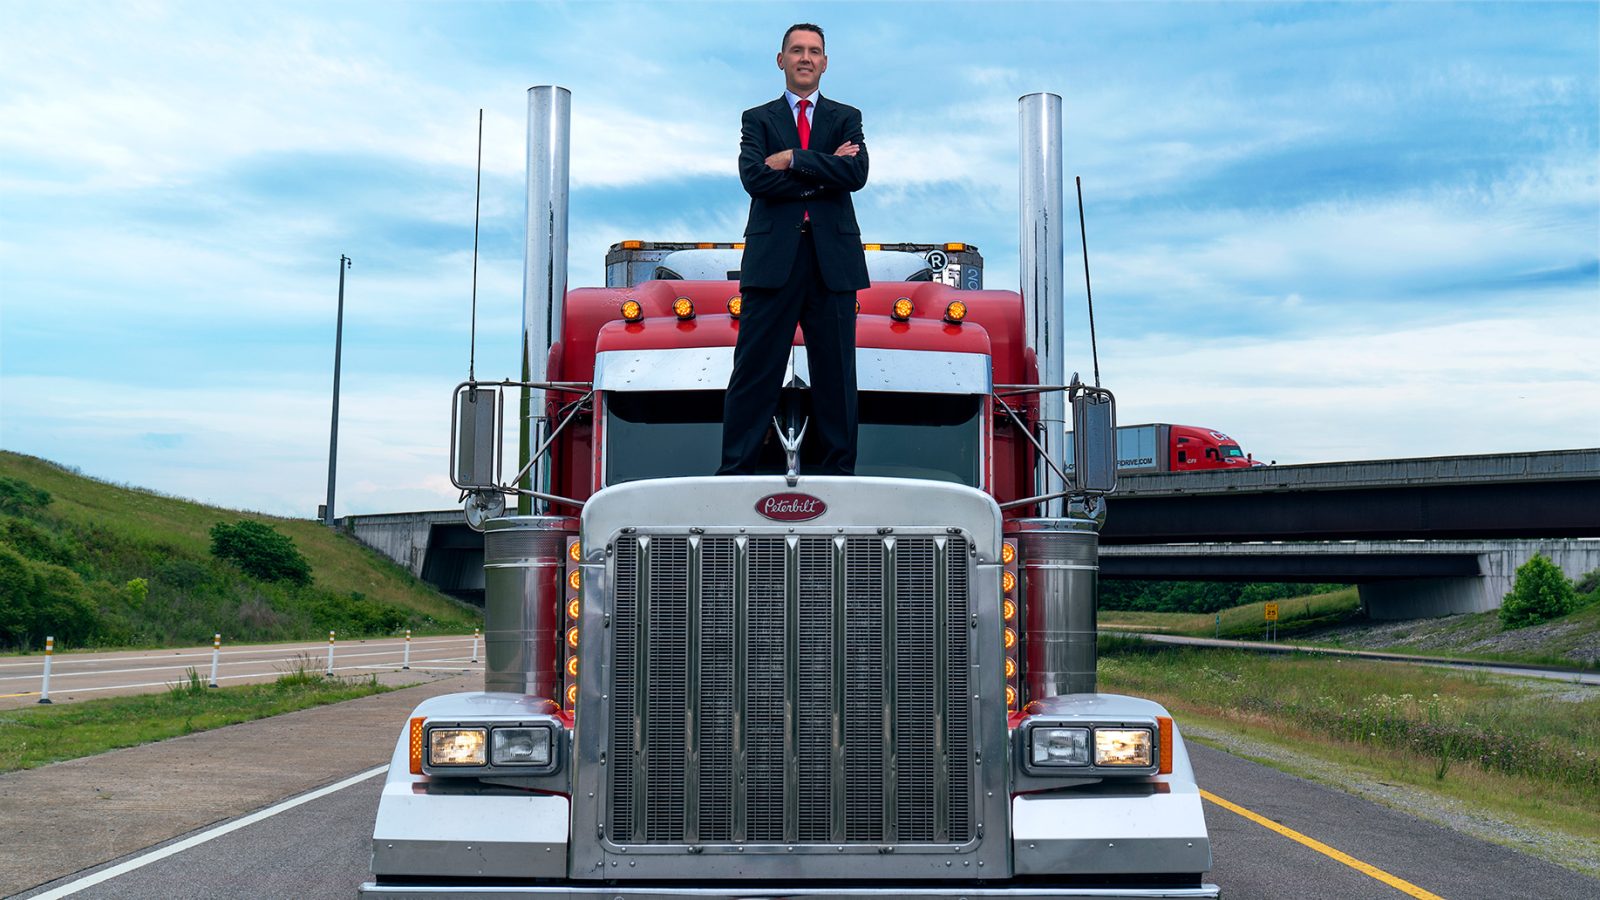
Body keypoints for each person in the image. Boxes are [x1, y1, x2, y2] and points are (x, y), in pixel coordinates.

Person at [717, 22, 870, 476]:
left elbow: (856, 174)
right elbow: (754, 178)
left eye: (815, 51)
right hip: (772, 263)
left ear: (825, 62)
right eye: (797, 50)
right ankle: (734, 474)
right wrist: (824, 171)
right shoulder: (757, 119)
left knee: (837, 378)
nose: (806, 58)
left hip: (833, 264)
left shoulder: (847, 117)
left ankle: (840, 475)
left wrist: (792, 159)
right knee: (753, 373)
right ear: (780, 60)